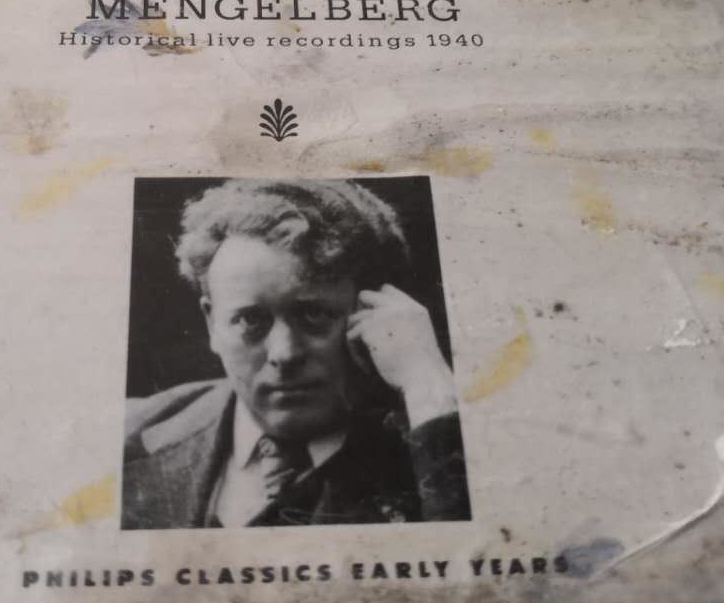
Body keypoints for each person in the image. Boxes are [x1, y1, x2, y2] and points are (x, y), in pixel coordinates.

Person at [122, 179, 472, 529]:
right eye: (250, 320)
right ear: (212, 323)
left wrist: (428, 387)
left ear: (375, 311)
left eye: (314, 315)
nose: (284, 353)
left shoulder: (438, 450)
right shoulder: (130, 433)